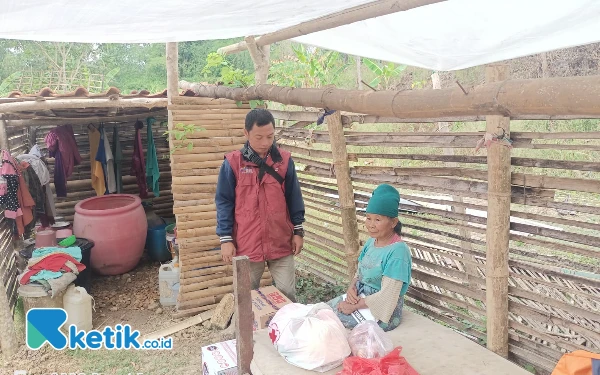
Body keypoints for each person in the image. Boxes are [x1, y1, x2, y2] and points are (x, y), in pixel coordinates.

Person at [215, 108, 305, 302]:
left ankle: (284, 332)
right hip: (247, 244)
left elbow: (294, 197)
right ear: (246, 133)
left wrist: (298, 231)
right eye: (259, 137)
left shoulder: (285, 161)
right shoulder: (233, 164)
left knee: (288, 296)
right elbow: (224, 202)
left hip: (281, 241)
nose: (265, 143)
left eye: (270, 136)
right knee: (245, 298)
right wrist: (225, 239)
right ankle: (245, 332)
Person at [327, 184, 412, 332]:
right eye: (368, 218)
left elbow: (388, 295)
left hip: (383, 309)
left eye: (377, 220)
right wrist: (351, 289)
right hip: (360, 296)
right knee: (325, 310)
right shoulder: (371, 242)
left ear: (393, 222)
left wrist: (355, 305)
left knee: (332, 320)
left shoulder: (398, 251)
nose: (371, 225)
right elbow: (359, 272)